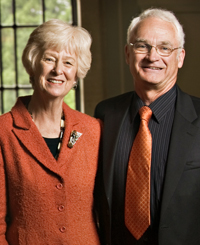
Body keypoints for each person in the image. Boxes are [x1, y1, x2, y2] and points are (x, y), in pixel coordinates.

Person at [94, 8, 200, 245]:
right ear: (127, 54)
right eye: (142, 46)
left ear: (180, 57)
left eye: (165, 48)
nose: (153, 56)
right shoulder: (105, 114)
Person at [0, 19, 101, 245]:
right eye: (49, 59)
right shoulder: (3, 131)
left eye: (68, 62)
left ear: (76, 74)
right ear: (33, 64)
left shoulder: (93, 130)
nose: (58, 70)